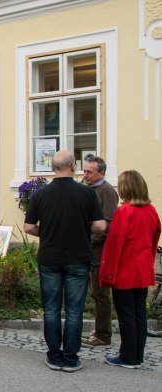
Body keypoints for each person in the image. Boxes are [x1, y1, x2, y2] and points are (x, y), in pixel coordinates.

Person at [24, 150, 106, 372]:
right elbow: (100, 226)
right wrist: (80, 229)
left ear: (52, 168)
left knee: (51, 309)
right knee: (74, 310)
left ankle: (53, 356)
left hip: (49, 258)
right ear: (72, 167)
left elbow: (29, 227)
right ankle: (70, 358)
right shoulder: (86, 193)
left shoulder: (40, 194)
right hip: (78, 258)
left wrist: (49, 232)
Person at [100, 170, 161, 368]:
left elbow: (114, 245)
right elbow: (154, 240)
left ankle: (127, 356)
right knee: (139, 314)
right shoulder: (151, 211)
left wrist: (108, 272)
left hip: (125, 271)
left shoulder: (124, 212)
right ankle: (137, 355)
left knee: (126, 314)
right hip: (142, 270)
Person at [81, 155, 118, 347]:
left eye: (89, 172)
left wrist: (91, 242)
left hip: (99, 250)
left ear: (101, 173)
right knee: (95, 291)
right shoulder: (91, 189)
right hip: (90, 248)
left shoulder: (106, 191)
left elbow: (108, 223)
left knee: (100, 292)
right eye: (84, 170)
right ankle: (98, 331)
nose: (85, 174)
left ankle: (103, 334)